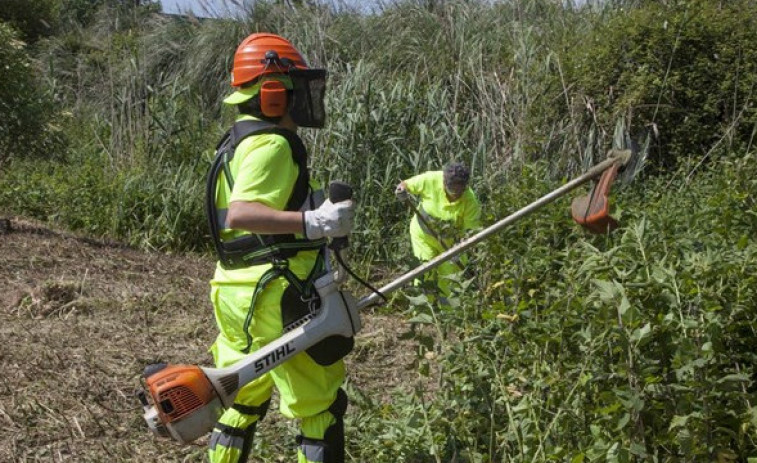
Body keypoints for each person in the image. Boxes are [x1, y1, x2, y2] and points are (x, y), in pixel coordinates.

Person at [206, 32, 355, 463]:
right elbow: (242, 213)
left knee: (241, 396)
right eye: (295, 89)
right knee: (319, 406)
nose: (301, 100)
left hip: (235, 289)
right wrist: (313, 222)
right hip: (278, 292)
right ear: (273, 94)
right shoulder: (272, 144)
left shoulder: (233, 144)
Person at [395, 162, 481, 297]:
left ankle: (447, 314)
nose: (455, 195)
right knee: (424, 273)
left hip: (450, 245)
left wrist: (461, 247)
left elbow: (471, 232)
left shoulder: (471, 201)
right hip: (423, 236)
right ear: (444, 182)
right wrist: (401, 191)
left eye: (460, 191)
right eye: (452, 189)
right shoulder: (431, 179)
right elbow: (405, 185)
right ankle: (423, 310)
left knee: (451, 279)